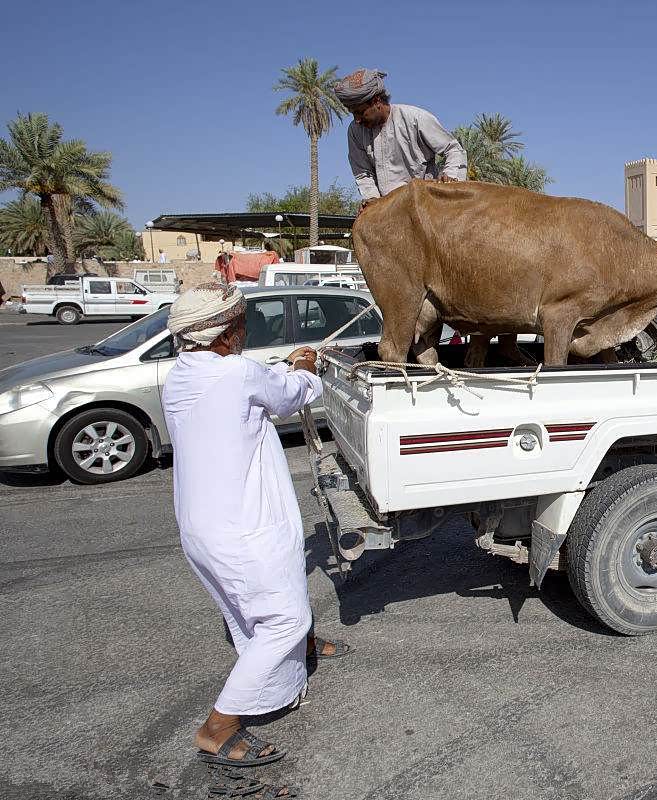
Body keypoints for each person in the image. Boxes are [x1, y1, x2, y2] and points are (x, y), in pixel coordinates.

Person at [162, 283, 349, 768]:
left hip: (203, 526)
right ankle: (217, 726)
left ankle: (302, 647)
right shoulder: (239, 373)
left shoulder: (182, 375)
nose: (246, 330)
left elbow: (250, 385)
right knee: (279, 615)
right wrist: (305, 365)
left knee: (257, 600)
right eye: (242, 322)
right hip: (243, 526)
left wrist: (283, 370)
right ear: (225, 334)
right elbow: (291, 394)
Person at [334, 68, 467, 210]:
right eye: (353, 114)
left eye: (360, 112)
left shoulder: (415, 118)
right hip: (388, 210)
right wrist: (372, 199)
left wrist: (450, 178)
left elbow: (453, 149)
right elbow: (363, 173)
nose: (357, 119)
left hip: (426, 206)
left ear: (376, 101)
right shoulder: (355, 131)